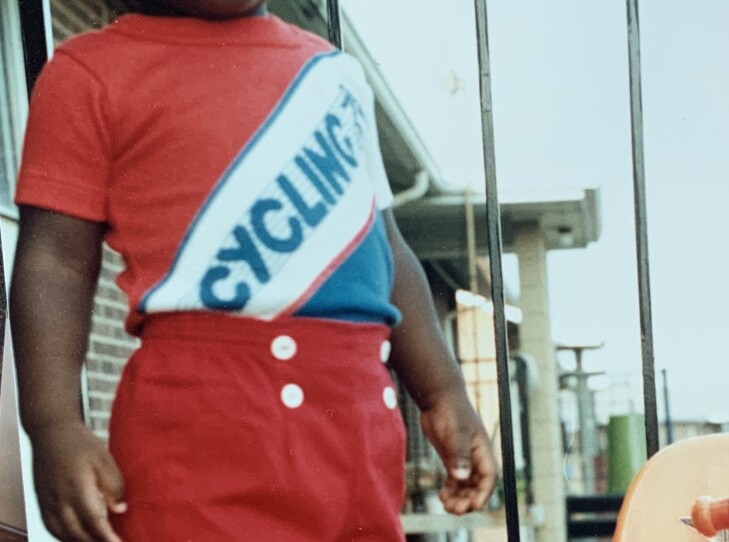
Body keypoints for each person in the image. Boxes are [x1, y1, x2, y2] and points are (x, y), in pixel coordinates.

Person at [10, 1, 497, 540]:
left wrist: (444, 390)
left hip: (355, 425)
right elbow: (55, 260)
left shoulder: (334, 74)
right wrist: (54, 425)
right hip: (199, 430)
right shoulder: (88, 73)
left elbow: (386, 244)